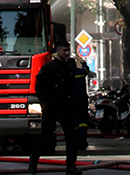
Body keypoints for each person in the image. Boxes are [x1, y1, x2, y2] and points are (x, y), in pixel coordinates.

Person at [29, 40, 80, 175]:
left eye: (68, 51)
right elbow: (39, 87)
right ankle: (33, 160)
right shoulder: (48, 67)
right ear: (58, 51)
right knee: (46, 137)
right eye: (64, 50)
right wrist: (43, 104)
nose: (67, 53)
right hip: (51, 106)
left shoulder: (69, 68)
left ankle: (71, 165)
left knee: (71, 136)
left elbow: (72, 88)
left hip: (66, 107)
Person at [72, 59, 89, 151]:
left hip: (72, 102)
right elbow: (86, 70)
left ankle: (76, 140)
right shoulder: (80, 72)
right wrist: (83, 63)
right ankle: (82, 139)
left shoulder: (67, 73)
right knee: (83, 121)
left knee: (74, 122)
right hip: (82, 100)